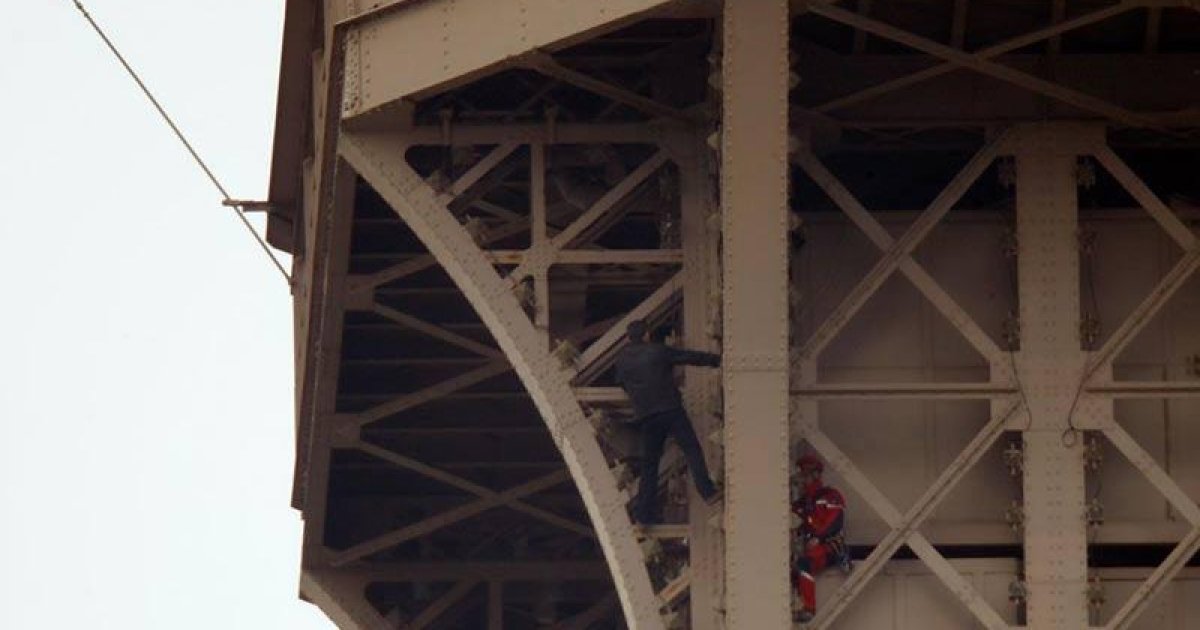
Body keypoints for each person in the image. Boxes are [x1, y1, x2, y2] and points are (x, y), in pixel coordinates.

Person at [613, 319, 721, 524]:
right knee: (691, 450)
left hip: (647, 417)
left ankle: (643, 515)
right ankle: (707, 491)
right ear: (646, 334)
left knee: (649, 466)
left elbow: (622, 383)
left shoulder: (622, 361)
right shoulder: (657, 351)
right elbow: (688, 357)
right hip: (671, 410)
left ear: (629, 338)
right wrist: (716, 360)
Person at [791, 453, 850, 623]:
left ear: (816, 474)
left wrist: (818, 537)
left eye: (806, 474)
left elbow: (835, 520)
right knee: (796, 568)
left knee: (804, 563)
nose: (804, 478)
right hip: (814, 546)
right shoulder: (803, 502)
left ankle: (809, 609)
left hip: (829, 546)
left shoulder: (829, 495)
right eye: (803, 473)